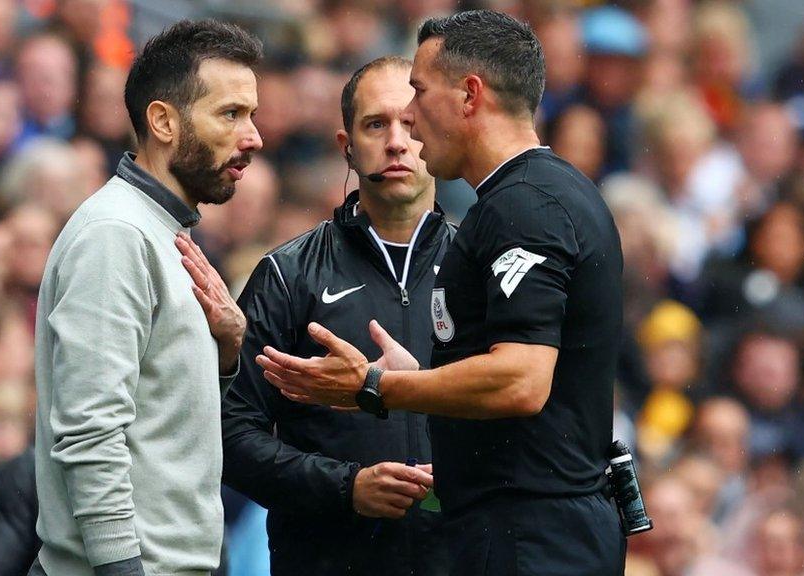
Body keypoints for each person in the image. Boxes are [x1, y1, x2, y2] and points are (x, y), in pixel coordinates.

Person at [258, 10, 626, 575]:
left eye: (420, 93)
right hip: (522, 528)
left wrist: (378, 386)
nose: (410, 115)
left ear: (469, 96)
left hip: (531, 536)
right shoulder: (529, 197)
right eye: (379, 121)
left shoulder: (523, 206)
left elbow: (523, 380)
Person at [31, 20, 261, 576]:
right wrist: (120, 568)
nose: (253, 137)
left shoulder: (162, 230)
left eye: (251, 115)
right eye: (231, 114)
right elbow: (91, 429)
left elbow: (164, 415)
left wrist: (225, 355)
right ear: (162, 121)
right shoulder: (116, 234)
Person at [222, 56, 453, 575]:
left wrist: (462, 476)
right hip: (325, 559)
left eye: (411, 124)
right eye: (376, 124)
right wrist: (347, 487)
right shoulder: (287, 275)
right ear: (346, 146)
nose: (396, 141)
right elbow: (230, 433)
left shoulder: (478, 274)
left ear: (438, 135)